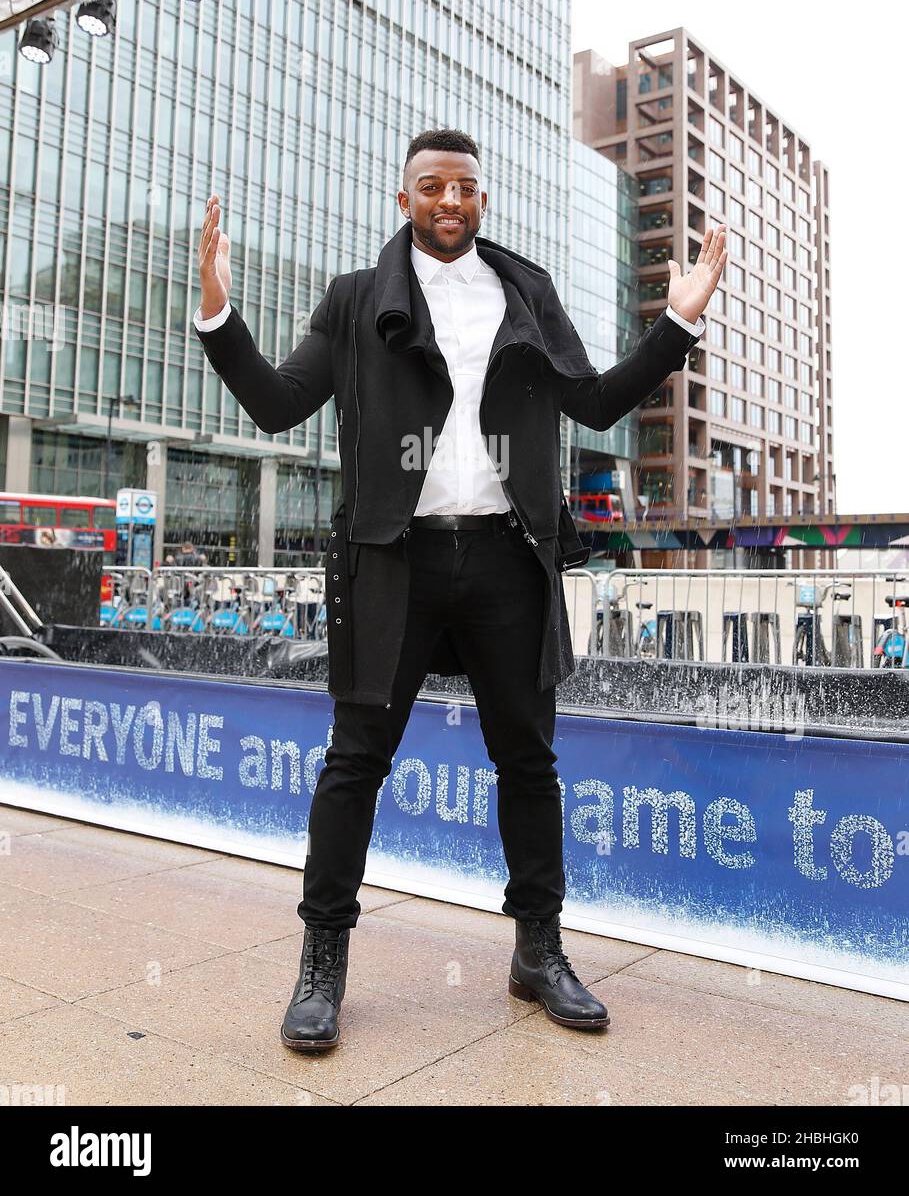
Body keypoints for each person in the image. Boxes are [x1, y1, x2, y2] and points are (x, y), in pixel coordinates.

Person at [194, 128, 725, 1051]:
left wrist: (674, 325)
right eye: (430, 186)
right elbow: (278, 405)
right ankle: (321, 965)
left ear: (483, 199)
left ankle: (538, 952)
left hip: (508, 559)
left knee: (528, 763)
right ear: (402, 200)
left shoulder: (524, 292)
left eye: (465, 187)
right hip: (392, 561)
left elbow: (593, 403)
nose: (450, 200)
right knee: (354, 762)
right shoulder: (358, 299)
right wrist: (217, 318)